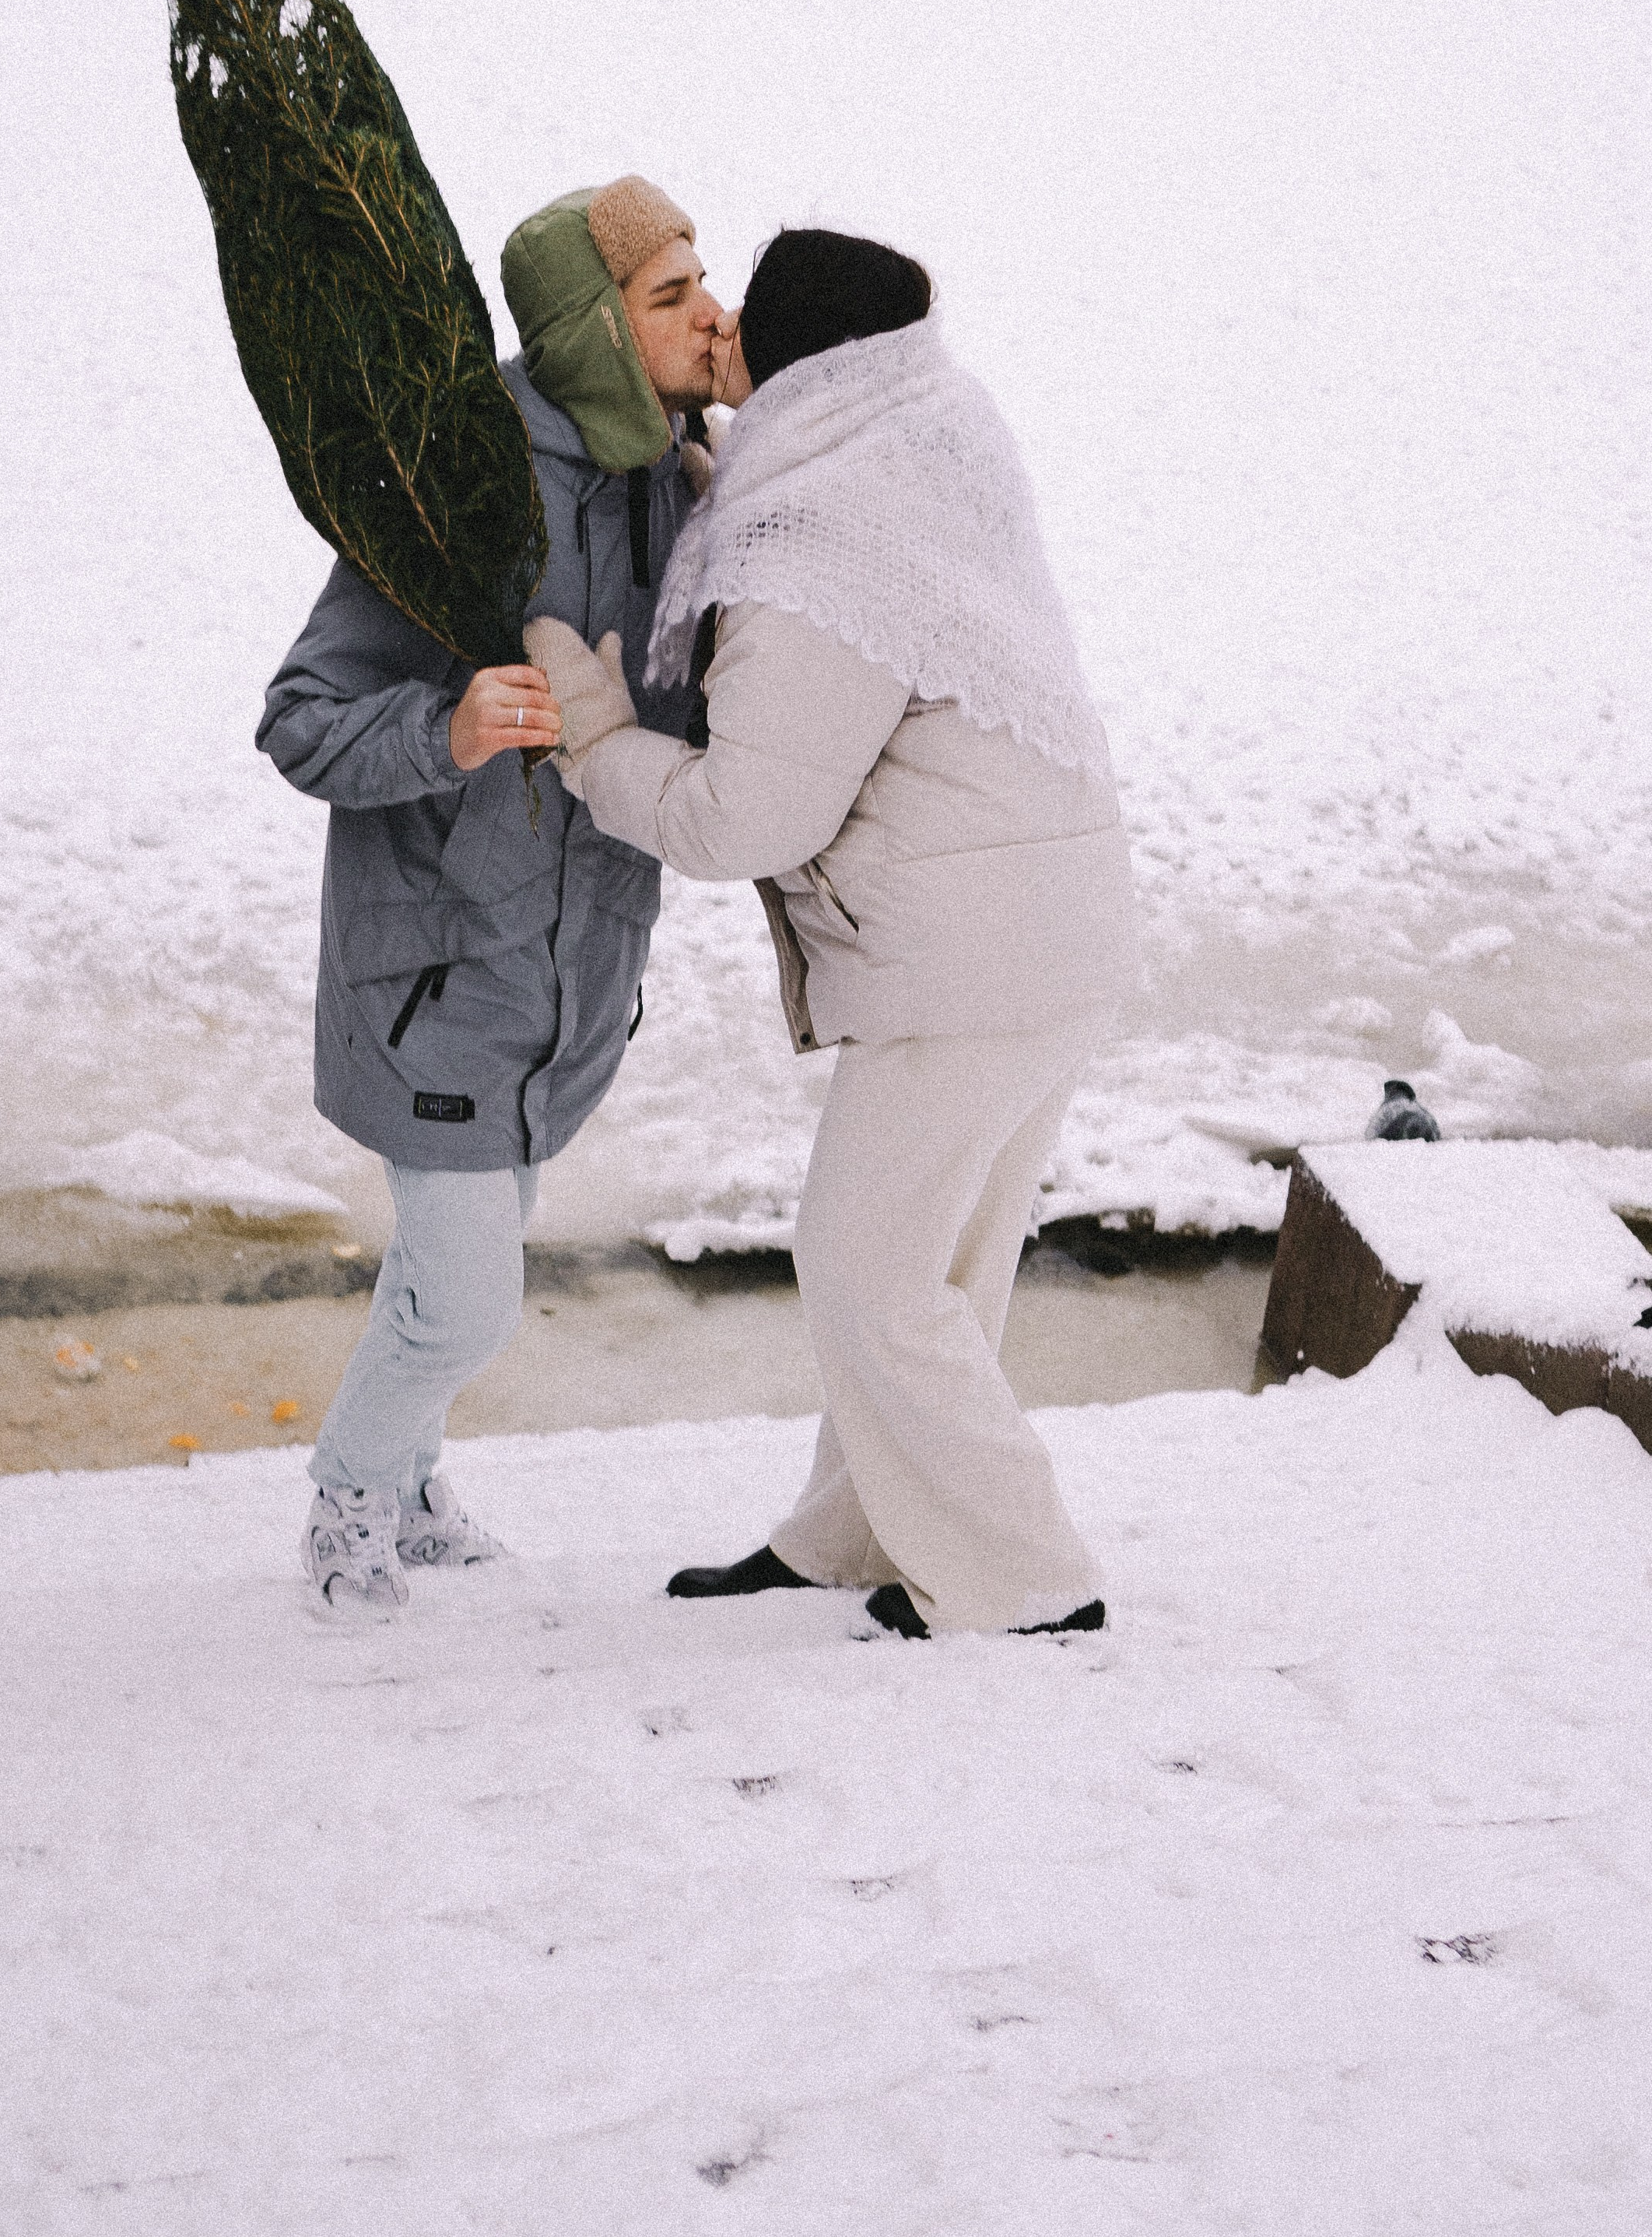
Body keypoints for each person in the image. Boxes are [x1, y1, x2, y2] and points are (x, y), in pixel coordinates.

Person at [527, 228, 1138, 1638]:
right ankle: (857, 1534)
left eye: (747, 314)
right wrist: (717, 482)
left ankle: (1026, 1581)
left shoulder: (817, 548)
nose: (720, 322)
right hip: (1047, 924)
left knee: (865, 1267)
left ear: (811, 362)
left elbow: (744, 817)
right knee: (936, 1265)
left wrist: (597, 741)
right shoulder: (924, 425)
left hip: (969, 960)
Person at [260, 177, 724, 1610]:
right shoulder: (456, 486)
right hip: (439, 979)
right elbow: (300, 717)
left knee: (452, 1266)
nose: (711, 315)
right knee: (466, 1298)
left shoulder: (679, 482)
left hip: (568, 978)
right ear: (593, 330)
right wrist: (445, 727)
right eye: (670, 295)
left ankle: (406, 1486)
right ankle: (349, 1497)